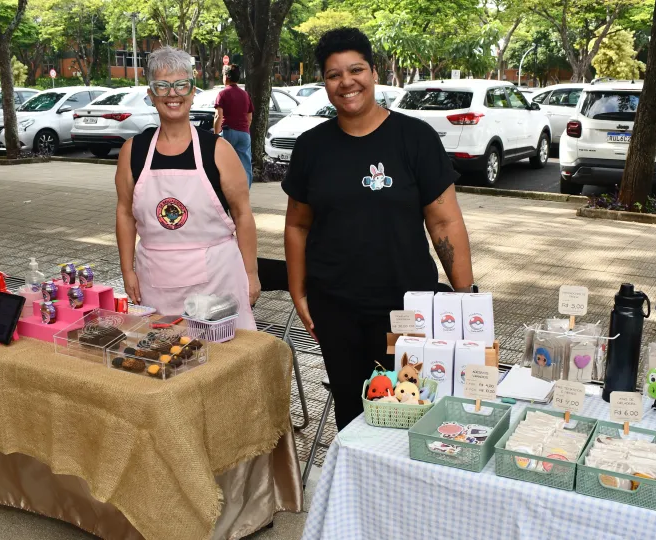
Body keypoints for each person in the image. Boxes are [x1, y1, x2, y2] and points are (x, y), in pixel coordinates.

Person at [282, 28, 475, 430]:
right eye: (334, 74)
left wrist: (465, 300)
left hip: (405, 309)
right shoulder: (312, 147)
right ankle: (360, 492)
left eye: (356, 69)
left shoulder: (414, 138)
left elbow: (444, 222)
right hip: (335, 307)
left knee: (410, 410)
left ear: (374, 72)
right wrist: (298, 291)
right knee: (352, 414)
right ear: (325, 83)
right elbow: (297, 225)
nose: (346, 81)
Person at [115, 46, 259, 329]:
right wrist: (127, 270)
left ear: (193, 92)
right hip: (155, 282)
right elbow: (124, 213)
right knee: (162, 360)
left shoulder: (218, 150)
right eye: (163, 86)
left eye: (182, 85)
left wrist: (251, 274)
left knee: (225, 364)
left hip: (218, 282)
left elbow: (243, 214)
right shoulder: (133, 152)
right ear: (151, 94)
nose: (173, 94)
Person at [214, 64, 255, 187]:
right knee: (245, 164)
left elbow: (218, 116)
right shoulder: (245, 95)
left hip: (228, 132)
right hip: (244, 134)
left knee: (224, 164)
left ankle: (226, 190)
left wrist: (215, 135)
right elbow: (249, 117)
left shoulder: (222, 94)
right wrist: (244, 128)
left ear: (226, 77)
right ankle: (245, 191)